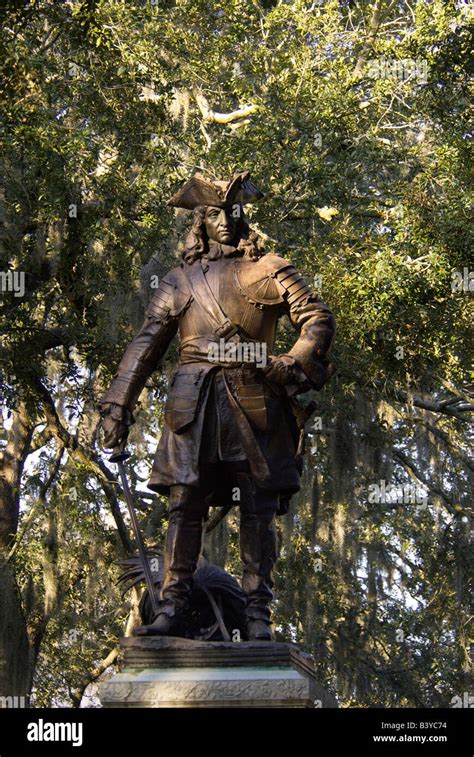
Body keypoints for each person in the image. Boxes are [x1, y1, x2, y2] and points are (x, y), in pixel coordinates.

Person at [99, 170, 336, 640]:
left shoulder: (269, 268)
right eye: (213, 213)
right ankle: (171, 607)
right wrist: (116, 406)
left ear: (242, 214)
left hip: (254, 401)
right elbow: (146, 344)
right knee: (184, 504)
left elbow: (317, 320)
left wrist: (290, 361)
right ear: (200, 221)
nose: (225, 220)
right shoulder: (178, 280)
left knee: (258, 507)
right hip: (194, 402)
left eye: (231, 211)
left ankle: (257, 614)